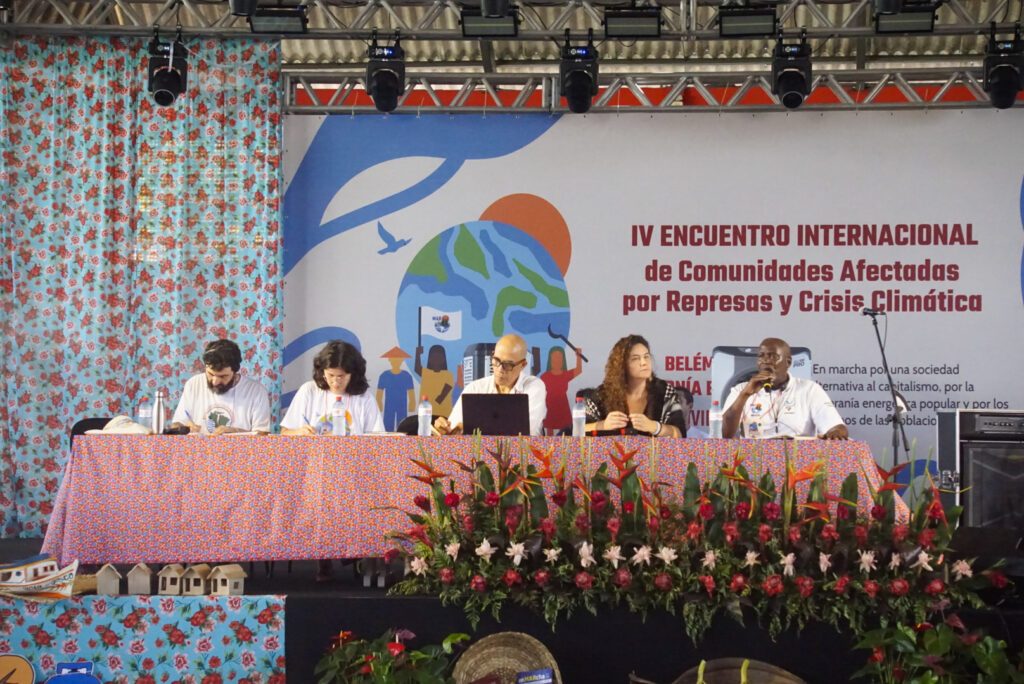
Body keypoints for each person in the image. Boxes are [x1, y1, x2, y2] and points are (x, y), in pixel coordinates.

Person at [721, 337, 849, 440]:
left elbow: (836, 427)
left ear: (788, 362)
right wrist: (745, 395)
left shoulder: (809, 389)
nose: (766, 361)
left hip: (798, 459)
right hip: (754, 459)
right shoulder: (740, 390)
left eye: (773, 356)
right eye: (761, 356)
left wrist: (835, 433)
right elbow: (726, 434)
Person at [434, 334, 547, 436]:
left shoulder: (534, 387)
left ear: (523, 365)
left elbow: (525, 430)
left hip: (523, 451)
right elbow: (453, 428)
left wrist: (469, 426)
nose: (500, 369)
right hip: (479, 451)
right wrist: (446, 428)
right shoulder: (475, 388)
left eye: (508, 365)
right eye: (496, 360)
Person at [579, 334, 686, 438]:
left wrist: (656, 427)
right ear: (622, 365)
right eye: (635, 358)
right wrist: (602, 425)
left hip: (653, 451)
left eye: (646, 357)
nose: (643, 362)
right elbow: (577, 430)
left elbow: (680, 433)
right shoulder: (601, 395)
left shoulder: (664, 391)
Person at [281, 340, 385, 435]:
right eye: (331, 375)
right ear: (322, 371)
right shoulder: (309, 391)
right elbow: (284, 433)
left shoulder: (365, 399)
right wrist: (299, 432)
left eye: (341, 376)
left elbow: (377, 442)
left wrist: (342, 440)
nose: (335, 382)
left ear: (353, 374)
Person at [170, 339, 271, 435]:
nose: (215, 382)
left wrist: (236, 433)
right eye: (210, 374)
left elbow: (262, 435)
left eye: (223, 376)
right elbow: (176, 425)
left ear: (235, 372)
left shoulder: (256, 391)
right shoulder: (193, 384)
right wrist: (182, 429)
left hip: (239, 448)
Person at [540, 345, 584, 434]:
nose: (557, 360)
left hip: (563, 406)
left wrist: (578, 357)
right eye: (554, 358)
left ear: (562, 360)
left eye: (559, 358)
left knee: (565, 431)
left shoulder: (565, 375)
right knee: (550, 431)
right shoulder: (545, 376)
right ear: (550, 360)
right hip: (550, 406)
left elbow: (578, 370)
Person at [375, 346, 416, 431]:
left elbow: (411, 392)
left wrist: (412, 403)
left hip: (402, 404)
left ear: (402, 360)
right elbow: (379, 392)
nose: (396, 362)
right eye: (393, 359)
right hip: (389, 404)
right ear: (389, 360)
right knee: (387, 424)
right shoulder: (384, 375)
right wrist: (379, 402)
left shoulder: (406, 375)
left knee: (402, 425)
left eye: (398, 359)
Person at [415, 344, 458, 417]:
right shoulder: (426, 373)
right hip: (426, 415)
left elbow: (442, 396)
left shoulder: (448, 375)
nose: (436, 360)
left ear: (443, 359)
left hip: (444, 415)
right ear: (429, 359)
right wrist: (418, 354)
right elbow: (417, 368)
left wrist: (436, 401)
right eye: (433, 357)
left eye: (439, 357)